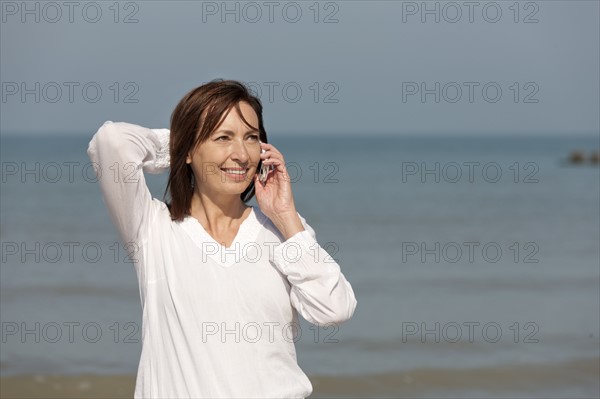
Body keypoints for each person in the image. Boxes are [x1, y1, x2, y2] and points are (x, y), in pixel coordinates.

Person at [87, 79, 357, 398]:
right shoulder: (151, 228)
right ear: (187, 150)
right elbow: (111, 142)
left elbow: (334, 309)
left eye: (251, 138)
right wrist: (184, 142)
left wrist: (286, 215)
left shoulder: (282, 231)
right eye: (223, 137)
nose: (241, 154)